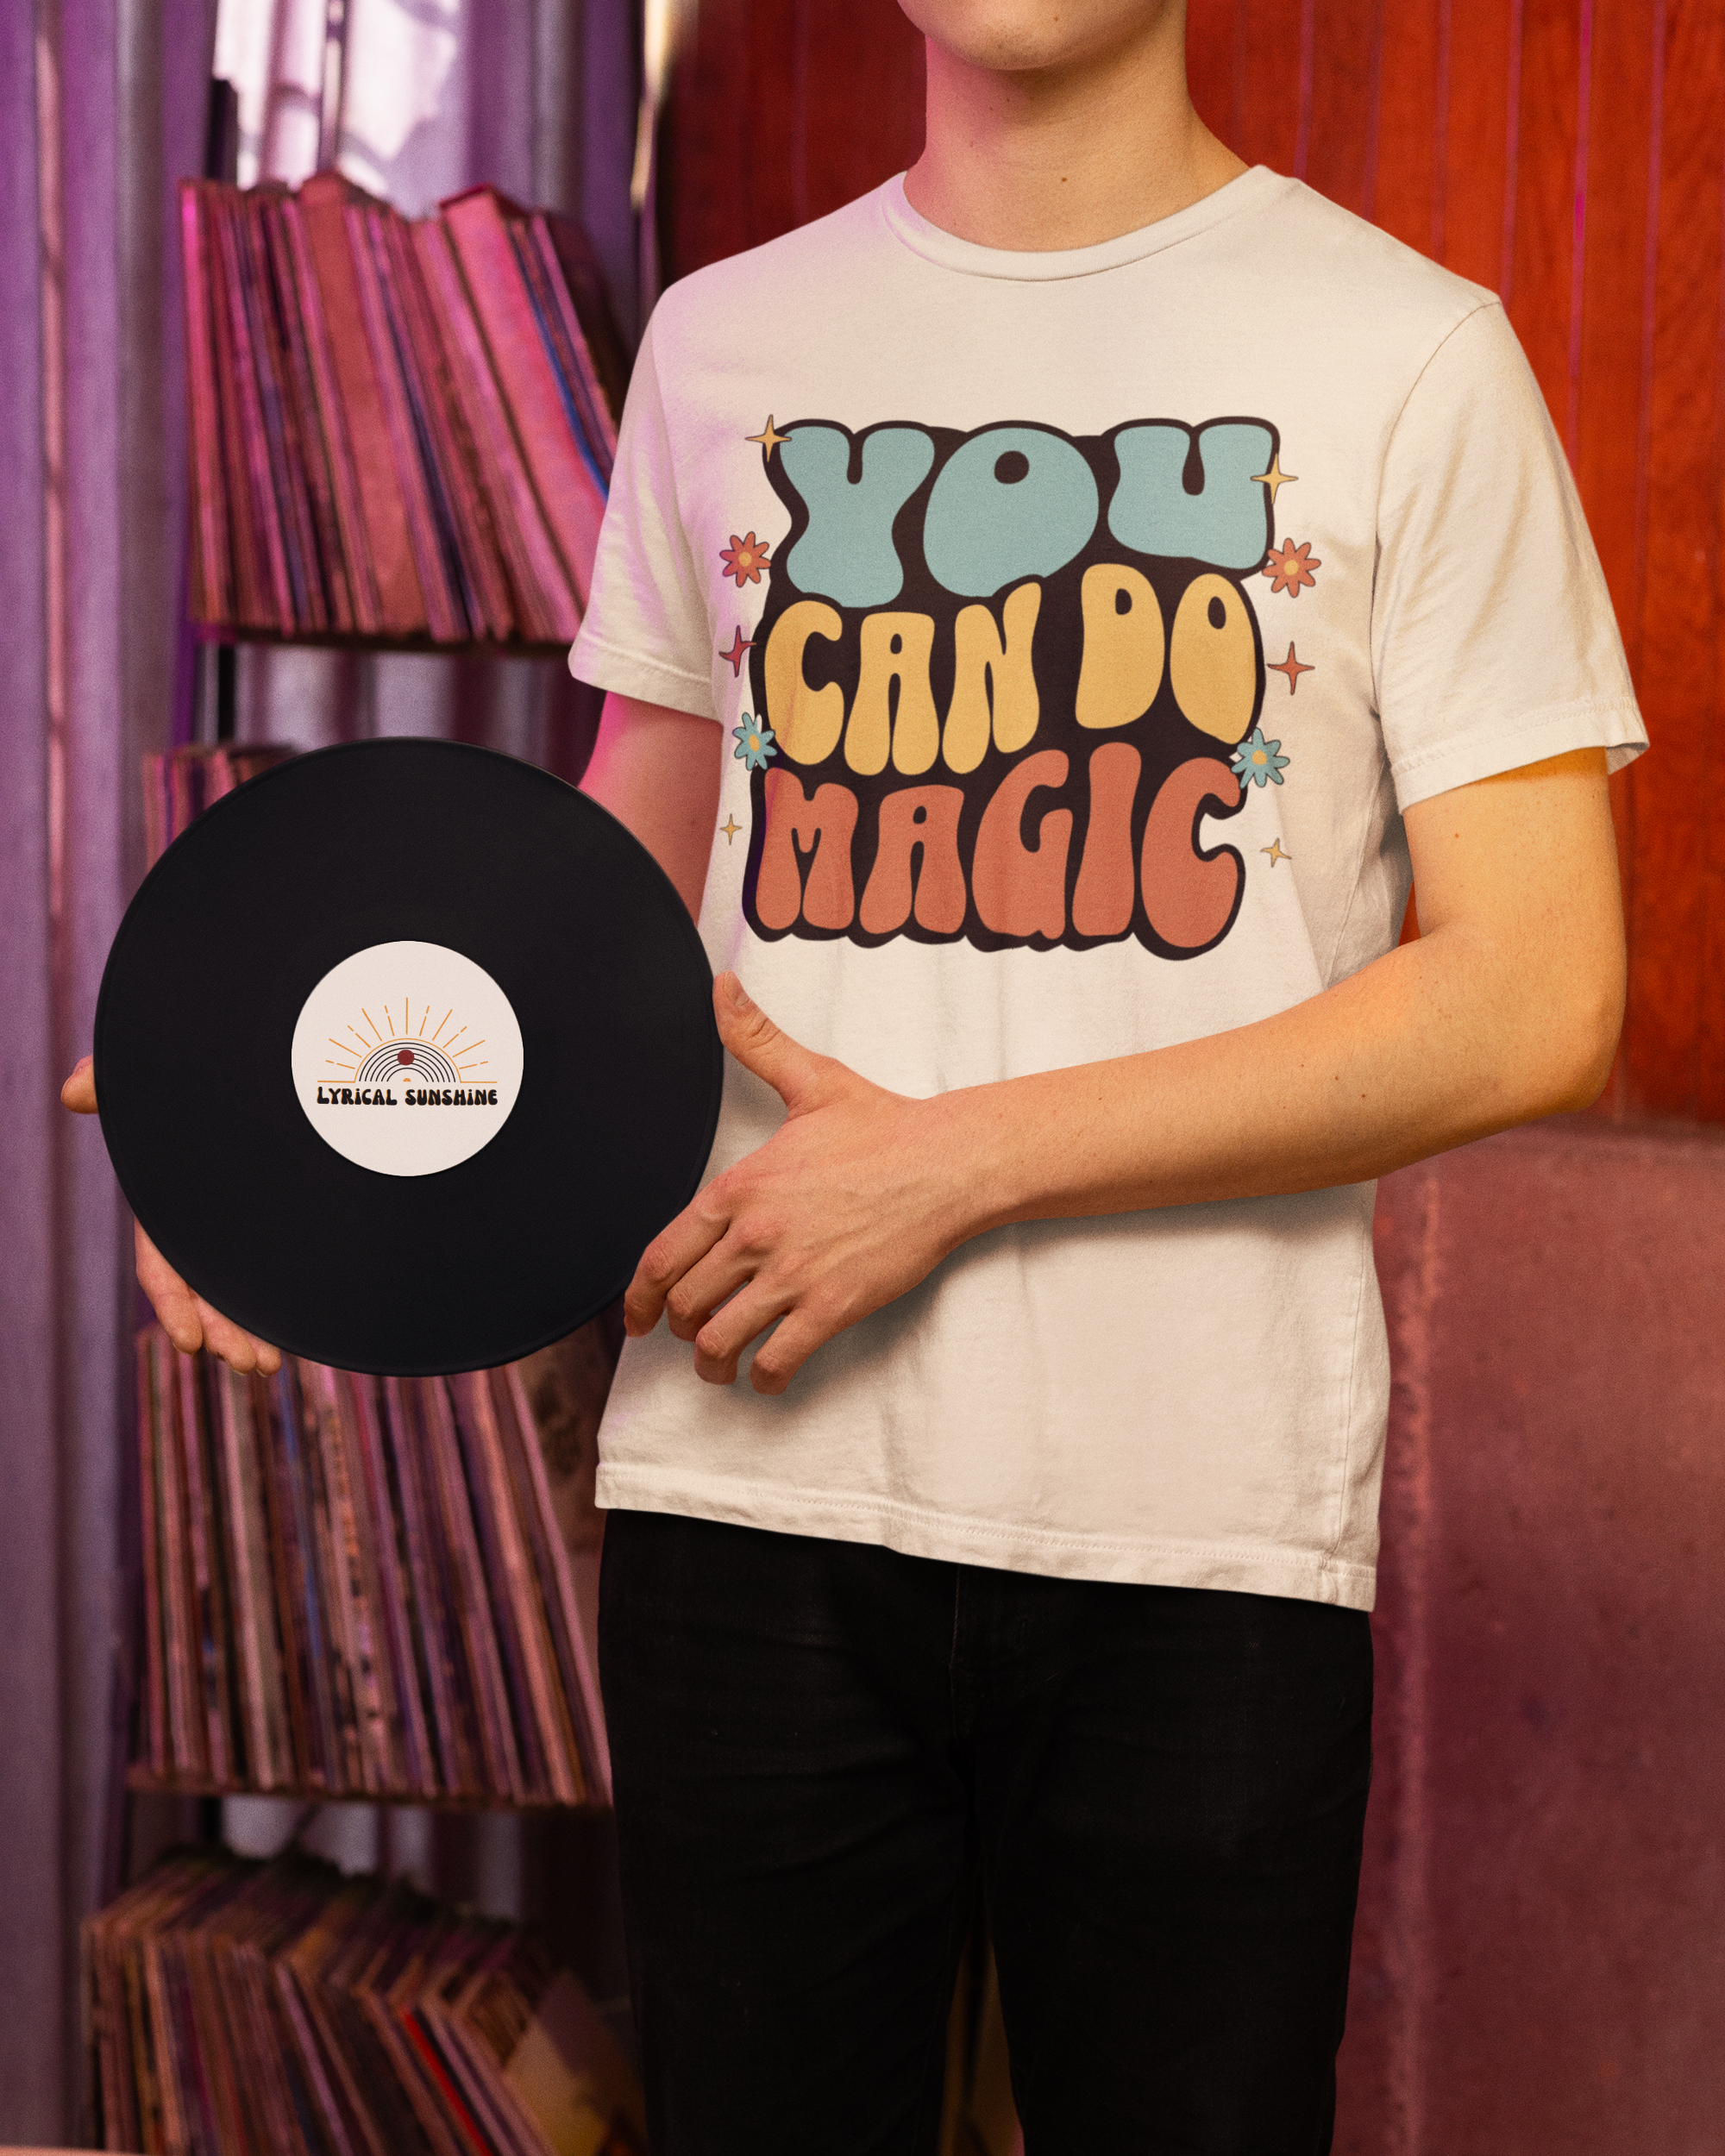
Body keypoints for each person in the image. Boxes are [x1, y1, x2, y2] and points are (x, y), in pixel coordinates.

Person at [66, 1, 1645, 2146]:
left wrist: (949, 1167)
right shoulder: (722, 342)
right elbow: (600, 921)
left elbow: (1542, 988)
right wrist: (301, 1145)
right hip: (744, 1478)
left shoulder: (1408, 350)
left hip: (1200, 1525)